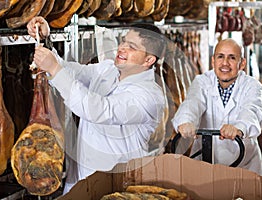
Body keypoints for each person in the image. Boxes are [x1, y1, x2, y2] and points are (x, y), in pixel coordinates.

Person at [27, 17, 166, 193]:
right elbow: (71, 72)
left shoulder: (149, 96)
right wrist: (46, 40)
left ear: (149, 60)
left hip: (116, 187)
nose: (122, 48)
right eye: (123, 41)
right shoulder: (108, 69)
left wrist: (54, 69)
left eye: (132, 47)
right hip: (80, 180)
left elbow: (98, 110)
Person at [171, 38, 262, 176]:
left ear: (242, 63)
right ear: (213, 61)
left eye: (232, 58)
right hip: (204, 164)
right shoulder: (202, 81)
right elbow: (192, 103)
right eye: (220, 57)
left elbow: (252, 110)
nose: (225, 63)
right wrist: (186, 121)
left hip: (244, 166)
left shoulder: (252, 86)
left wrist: (239, 128)